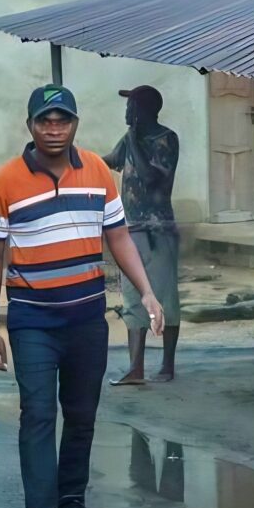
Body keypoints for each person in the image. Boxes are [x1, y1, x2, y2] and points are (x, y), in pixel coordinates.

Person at [0, 85, 164, 508]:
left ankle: (71, 502)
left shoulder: (98, 172)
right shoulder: (5, 182)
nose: (54, 128)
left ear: (75, 125)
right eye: (45, 120)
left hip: (86, 318)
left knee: (82, 414)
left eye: (63, 120)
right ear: (31, 126)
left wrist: (146, 290)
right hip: (32, 321)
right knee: (38, 415)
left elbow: (118, 235)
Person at [104, 85, 182, 386]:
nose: (126, 111)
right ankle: (135, 368)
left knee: (164, 298)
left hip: (158, 231)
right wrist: (76, 157)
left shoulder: (166, 139)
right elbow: (113, 159)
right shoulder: (130, 139)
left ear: (144, 110)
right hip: (130, 230)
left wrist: (133, 139)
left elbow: (151, 178)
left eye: (131, 105)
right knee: (132, 299)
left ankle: (167, 365)